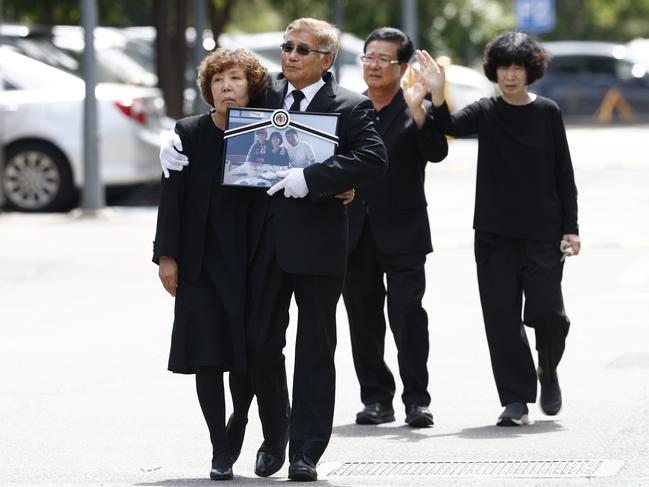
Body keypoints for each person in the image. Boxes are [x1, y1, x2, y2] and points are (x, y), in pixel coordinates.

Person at [159, 18, 385, 482]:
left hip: (320, 245)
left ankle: (306, 452)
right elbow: (219, 117)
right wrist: (175, 139)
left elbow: (372, 156)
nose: (292, 56)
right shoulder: (265, 96)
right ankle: (275, 432)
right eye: (287, 47)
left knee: (315, 348)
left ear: (325, 59)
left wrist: (315, 179)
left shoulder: (350, 105)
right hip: (260, 247)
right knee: (261, 344)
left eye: (303, 50)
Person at [417, 31, 580, 426]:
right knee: (501, 319)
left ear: (530, 71)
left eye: (518, 67)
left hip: (543, 232)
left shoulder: (548, 113)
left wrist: (571, 227)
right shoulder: (486, 111)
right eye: (504, 67)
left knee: (549, 314)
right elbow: (448, 126)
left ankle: (547, 367)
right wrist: (437, 94)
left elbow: (564, 172)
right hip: (493, 234)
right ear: (494, 70)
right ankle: (516, 400)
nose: (510, 75)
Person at [152, 48, 267, 481]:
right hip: (199, 262)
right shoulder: (188, 132)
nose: (226, 87)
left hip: (250, 261)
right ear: (208, 90)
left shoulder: (262, 131)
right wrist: (167, 256)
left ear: (251, 86)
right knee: (206, 356)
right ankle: (220, 444)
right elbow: (172, 199)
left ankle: (239, 419)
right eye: (218, 81)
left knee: (245, 357)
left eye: (235, 79)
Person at [343, 27, 448, 429]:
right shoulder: (348, 109)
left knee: (408, 315)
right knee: (363, 320)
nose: (373, 65)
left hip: (404, 231)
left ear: (402, 67)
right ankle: (375, 399)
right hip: (353, 232)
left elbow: (436, 152)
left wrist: (421, 108)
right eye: (368, 57)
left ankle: (416, 400)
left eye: (383, 59)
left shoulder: (413, 106)